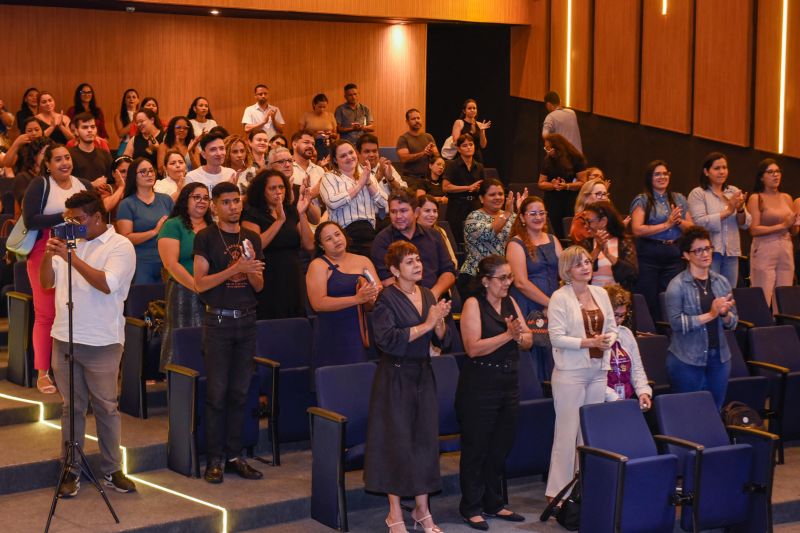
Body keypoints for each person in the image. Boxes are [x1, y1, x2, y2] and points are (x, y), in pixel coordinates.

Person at [40, 190, 137, 498]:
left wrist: (72, 258)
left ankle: (111, 469)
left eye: (78, 219)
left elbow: (107, 284)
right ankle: (71, 467)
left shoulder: (120, 246)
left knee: (107, 408)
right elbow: (45, 283)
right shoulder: (68, 246)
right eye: (68, 220)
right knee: (72, 408)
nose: (72, 226)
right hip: (64, 336)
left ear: (97, 216)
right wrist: (48, 255)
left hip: (102, 340)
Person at [365, 241, 452, 533]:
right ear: (394, 270)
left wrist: (439, 323)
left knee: (425, 443)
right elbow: (387, 340)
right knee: (397, 444)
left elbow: (441, 339)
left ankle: (423, 511)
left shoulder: (427, 293)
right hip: (395, 377)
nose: (418, 265)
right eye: (410, 262)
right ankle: (394, 514)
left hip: (423, 376)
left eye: (418, 259)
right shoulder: (385, 299)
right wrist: (428, 324)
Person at [193, 181, 265, 484]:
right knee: (217, 394)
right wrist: (236, 269)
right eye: (226, 202)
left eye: (237, 201)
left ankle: (235, 455)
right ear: (215, 206)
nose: (233, 207)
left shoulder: (252, 237)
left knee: (240, 393)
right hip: (218, 322)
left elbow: (260, 286)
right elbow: (200, 283)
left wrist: (250, 273)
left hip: (247, 320)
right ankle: (214, 460)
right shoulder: (206, 237)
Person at [457, 255, 532, 530]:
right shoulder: (473, 304)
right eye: (502, 278)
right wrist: (509, 336)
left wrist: (520, 336)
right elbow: (472, 348)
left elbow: (528, 339)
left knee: (501, 446)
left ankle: (494, 502)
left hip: (508, 383)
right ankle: (471, 507)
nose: (508, 283)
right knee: (476, 448)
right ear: (486, 281)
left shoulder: (511, 303)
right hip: (480, 386)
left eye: (510, 277)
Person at [545, 245, 618, 502]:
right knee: (567, 434)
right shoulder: (559, 297)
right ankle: (557, 494)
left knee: (590, 432)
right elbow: (556, 338)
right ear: (567, 270)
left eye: (587, 261)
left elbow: (612, 326)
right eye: (579, 264)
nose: (586, 267)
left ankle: (586, 489)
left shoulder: (600, 292)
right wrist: (589, 343)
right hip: (570, 373)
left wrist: (608, 338)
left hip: (598, 370)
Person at [23, 144, 93, 394]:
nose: (64, 163)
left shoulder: (83, 184)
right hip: (46, 248)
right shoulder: (40, 185)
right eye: (58, 159)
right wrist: (63, 216)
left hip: (81, 248)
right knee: (46, 313)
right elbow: (30, 220)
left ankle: (75, 366)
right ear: (48, 164)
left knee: (76, 309)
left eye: (67, 158)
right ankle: (43, 371)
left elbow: (95, 217)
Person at [664, 226, 738, 410]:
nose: (705, 254)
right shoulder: (677, 286)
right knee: (689, 412)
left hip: (719, 358)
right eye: (698, 250)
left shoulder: (721, 282)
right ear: (686, 255)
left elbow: (734, 322)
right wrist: (711, 314)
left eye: (707, 248)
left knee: (715, 410)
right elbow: (676, 323)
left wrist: (724, 314)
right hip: (687, 359)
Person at [306, 221, 380, 369]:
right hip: (332, 331)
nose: (336, 240)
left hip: (359, 329)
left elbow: (378, 290)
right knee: (334, 382)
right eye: (328, 239)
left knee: (361, 378)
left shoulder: (363, 260)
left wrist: (371, 297)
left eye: (337, 234)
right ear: (321, 246)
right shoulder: (318, 265)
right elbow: (318, 304)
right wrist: (356, 299)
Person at [242, 170, 314, 319]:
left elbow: (309, 245)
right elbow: (255, 246)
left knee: (296, 321)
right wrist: (279, 221)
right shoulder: (252, 213)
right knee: (272, 322)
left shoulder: (290, 210)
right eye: (272, 188)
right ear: (262, 191)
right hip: (268, 274)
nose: (278, 192)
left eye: (281, 187)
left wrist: (302, 213)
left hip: (293, 273)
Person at [157, 183, 211, 371]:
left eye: (206, 198)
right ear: (185, 199)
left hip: (213, 290)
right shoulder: (173, 225)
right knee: (183, 338)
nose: (202, 201)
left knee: (210, 339)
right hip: (183, 290)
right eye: (196, 197)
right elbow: (171, 264)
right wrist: (197, 287)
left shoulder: (213, 226)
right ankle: (180, 384)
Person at [506, 196, 562, 379]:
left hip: (552, 305)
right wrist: (551, 303)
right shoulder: (516, 243)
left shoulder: (553, 239)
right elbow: (520, 282)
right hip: (528, 305)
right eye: (532, 213)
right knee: (535, 355)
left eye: (541, 213)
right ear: (522, 217)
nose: (538, 217)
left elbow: (566, 272)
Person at [630, 159, 693, 320]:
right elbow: (637, 229)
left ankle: (670, 331)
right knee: (649, 298)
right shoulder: (642, 199)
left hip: (673, 255)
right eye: (657, 174)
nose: (662, 177)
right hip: (649, 254)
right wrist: (667, 224)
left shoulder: (679, 199)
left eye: (665, 173)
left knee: (672, 297)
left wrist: (678, 222)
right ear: (650, 177)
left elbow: (692, 228)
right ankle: (652, 334)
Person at [370, 191, 456, 298]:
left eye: (403, 211)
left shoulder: (434, 236)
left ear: (416, 212)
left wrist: (432, 296)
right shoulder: (382, 240)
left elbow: (449, 272)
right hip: (401, 304)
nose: (398, 216)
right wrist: (415, 300)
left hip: (436, 299)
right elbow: (384, 279)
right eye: (393, 212)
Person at [687, 153, 750, 288]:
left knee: (728, 294)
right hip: (708, 252)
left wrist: (739, 210)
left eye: (724, 168)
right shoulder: (698, 193)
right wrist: (728, 211)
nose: (722, 172)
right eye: (717, 168)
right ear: (706, 171)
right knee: (709, 292)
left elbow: (745, 223)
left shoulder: (733, 191)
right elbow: (699, 222)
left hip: (731, 252)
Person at [319, 139, 388, 257]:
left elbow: (384, 205)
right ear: (335, 160)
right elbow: (332, 202)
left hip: (369, 233)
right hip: (344, 235)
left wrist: (368, 183)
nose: (349, 157)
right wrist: (359, 185)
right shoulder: (329, 177)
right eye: (343, 155)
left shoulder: (368, 175)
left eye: (351, 153)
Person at [458, 179, 522, 301]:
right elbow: (489, 234)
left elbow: (525, 238)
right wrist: (507, 213)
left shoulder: (512, 216)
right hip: (476, 277)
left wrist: (522, 213)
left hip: (504, 277)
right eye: (492, 194)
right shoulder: (474, 217)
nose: (498, 197)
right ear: (481, 198)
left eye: (500, 194)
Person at [747, 159, 797, 309]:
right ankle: (759, 328)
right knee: (762, 292)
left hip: (786, 246)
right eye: (770, 172)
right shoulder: (756, 198)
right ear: (762, 177)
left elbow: (793, 231)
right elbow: (753, 230)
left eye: (778, 171)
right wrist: (783, 225)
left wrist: (795, 223)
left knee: (785, 294)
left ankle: (781, 326)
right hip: (765, 247)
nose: (775, 175)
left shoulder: (787, 198)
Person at [116, 158, 174, 283]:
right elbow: (126, 238)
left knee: (169, 301)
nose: (149, 174)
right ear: (133, 176)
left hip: (167, 262)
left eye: (151, 171)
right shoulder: (127, 204)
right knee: (143, 301)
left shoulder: (166, 200)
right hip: (141, 263)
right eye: (143, 171)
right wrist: (154, 231)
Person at [603, 284, 653, 408]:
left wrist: (643, 392)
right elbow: (594, 379)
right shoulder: (594, 337)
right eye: (616, 315)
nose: (619, 320)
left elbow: (637, 368)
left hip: (627, 399)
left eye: (623, 315)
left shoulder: (626, 333)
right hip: (603, 401)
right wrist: (614, 398)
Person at [578, 201, 638, 290]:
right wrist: (598, 249)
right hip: (591, 296)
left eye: (589, 221)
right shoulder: (586, 244)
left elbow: (632, 274)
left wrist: (609, 255)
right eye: (585, 221)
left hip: (617, 297)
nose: (586, 226)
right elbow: (578, 272)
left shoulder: (623, 242)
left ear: (603, 221)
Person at [537, 133, 587, 240]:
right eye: (545, 148)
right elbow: (541, 183)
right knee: (554, 230)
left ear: (558, 148)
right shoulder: (547, 160)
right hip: (552, 200)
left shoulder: (576, 158)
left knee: (569, 229)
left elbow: (583, 182)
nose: (546, 151)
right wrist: (552, 185)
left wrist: (567, 186)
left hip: (571, 200)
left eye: (549, 148)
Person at [442, 134, 484, 245]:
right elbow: (446, 187)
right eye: (465, 145)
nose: (469, 147)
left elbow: (484, 187)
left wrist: (480, 188)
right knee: (457, 240)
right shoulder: (452, 165)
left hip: (475, 205)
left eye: (471, 144)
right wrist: (468, 187)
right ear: (459, 149)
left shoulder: (479, 166)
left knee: (476, 240)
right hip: (457, 206)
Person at [358, 133, 408, 204]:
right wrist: (379, 176)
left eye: (374, 151)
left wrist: (391, 180)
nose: (372, 155)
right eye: (367, 151)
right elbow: (361, 195)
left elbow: (405, 192)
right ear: (358, 154)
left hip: (390, 211)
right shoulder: (355, 171)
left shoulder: (385, 166)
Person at [396, 108, 439, 186]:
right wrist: (423, 153)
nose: (417, 121)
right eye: (413, 119)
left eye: (418, 118)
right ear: (407, 122)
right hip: (411, 179)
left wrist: (432, 152)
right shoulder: (403, 138)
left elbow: (437, 156)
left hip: (428, 178)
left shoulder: (428, 137)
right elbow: (404, 158)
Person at [68, 113, 113, 183]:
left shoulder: (105, 154)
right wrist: (91, 185)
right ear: (76, 132)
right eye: (85, 127)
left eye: (92, 127)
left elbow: (112, 179)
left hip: (103, 193)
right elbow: (67, 182)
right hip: (79, 193)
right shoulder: (69, 155)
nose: (90, 130)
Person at [417, 195, 458, 268]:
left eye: (435, 211)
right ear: (417, 212)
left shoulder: (440, 231)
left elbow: (452, 260)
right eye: (427, 211)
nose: (432, 215)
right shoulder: (410, 233)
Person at [13, 137, 52, 210]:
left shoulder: (54, 176)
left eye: (51, 154)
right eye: (45, 153)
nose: (49, 157)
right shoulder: (22, 177)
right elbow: (27, 205)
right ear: (34, 156)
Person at [569, 176, 609, 242]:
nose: (603, 198)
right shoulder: (580, 220)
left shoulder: (609, 216)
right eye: (598, 194)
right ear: (586, 197)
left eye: (604, 194)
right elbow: (582, 248)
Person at [299, 93, 338, 160]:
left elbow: (335, 135)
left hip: (327, 143)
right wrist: (313, 133)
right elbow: (300, 133)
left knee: (328, 162)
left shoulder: (330, 116)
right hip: (312, 143)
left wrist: (330, 134)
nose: (322, 109)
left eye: (324, 107)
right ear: (314, 104)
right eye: (320, 107)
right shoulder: (307, 115)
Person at [450, 99, 489, 163]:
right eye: (469, 108)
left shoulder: (480, 125)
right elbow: (456, 142)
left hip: (477, 158)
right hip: (463, 157)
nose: (472, 110)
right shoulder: (459, 122)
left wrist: (482, 131)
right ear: (464, 111)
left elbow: (483, 145)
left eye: (474, 108)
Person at [290, 129, 325, 200]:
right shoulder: (287, 168)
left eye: (313, 144)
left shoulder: (319, 170)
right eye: (306, 142)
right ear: (294, 144)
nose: (311, 146)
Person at [113, 88, 138, 155]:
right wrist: (133, 121)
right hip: (125, 144)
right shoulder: (119, 115)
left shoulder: (141, 114)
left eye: (134, 97)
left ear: (138, 100)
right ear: (124, 100)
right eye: (128, 97)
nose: (131, 99)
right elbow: (120, 134)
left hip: (139, 144)